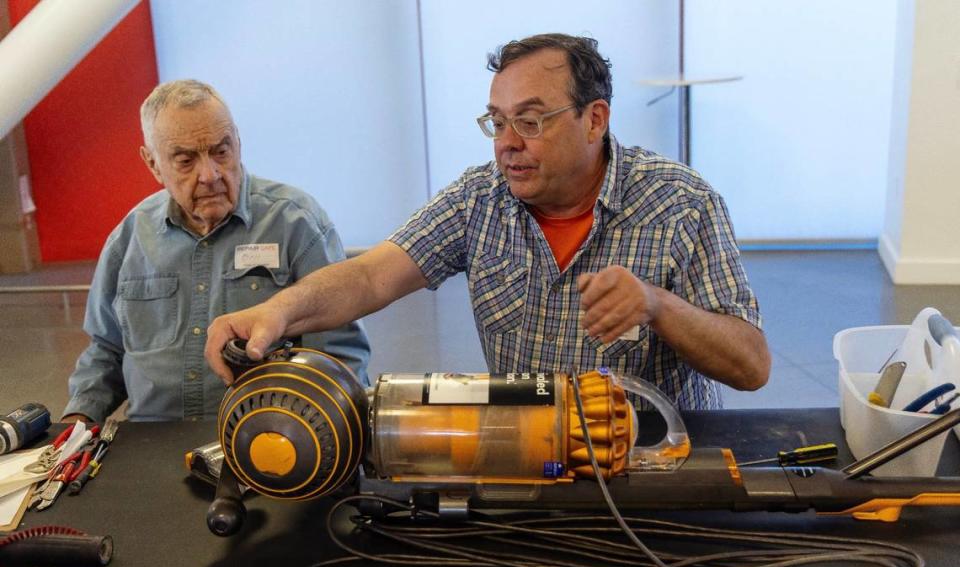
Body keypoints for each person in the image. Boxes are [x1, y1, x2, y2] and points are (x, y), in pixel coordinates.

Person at [205, 34, 770, 409]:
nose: (507, 145)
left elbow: (751, 365)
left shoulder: (681, 204)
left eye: (529, 121)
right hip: (527, 454)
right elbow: (370, 277)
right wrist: (274, 312)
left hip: (654, 463)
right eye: (497, 123)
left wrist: (656, 305)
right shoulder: (480, 199)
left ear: (594, 119)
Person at [64, 79, 370, 423]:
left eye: (220, 151)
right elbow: (106, 350)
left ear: (238, 143)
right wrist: (78, 419)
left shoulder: (295, 222)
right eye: (185, 160)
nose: (209, 174)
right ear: (152, 164)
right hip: (150, 441)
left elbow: (339, 355)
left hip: (269, 440)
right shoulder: (131, 237)